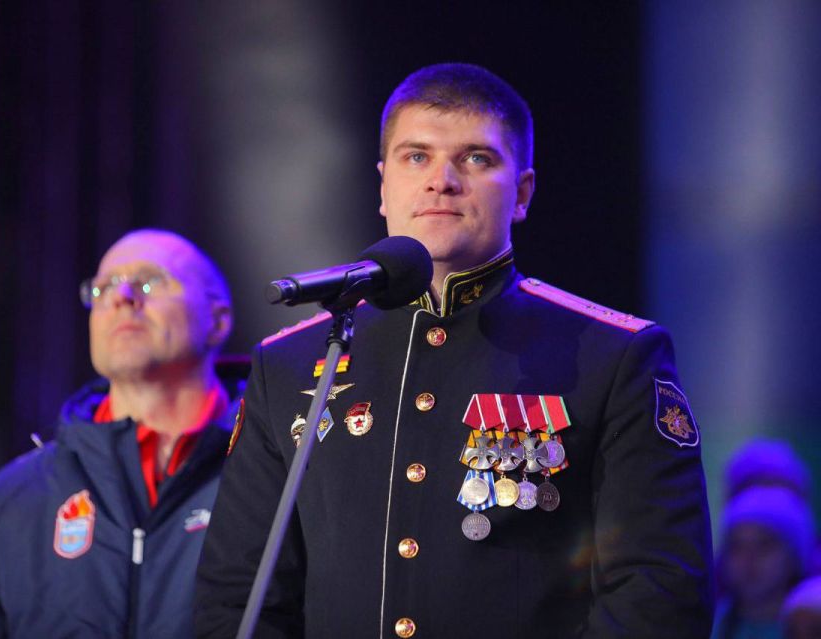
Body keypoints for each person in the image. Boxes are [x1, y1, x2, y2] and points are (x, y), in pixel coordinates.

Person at [195, 63, 714, 638]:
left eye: (476, 158)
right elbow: (238, 594)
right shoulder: (289, 364)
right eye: (416, 156)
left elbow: (659, 589)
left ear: (522, 193)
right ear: (383, 186)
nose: (441, 179)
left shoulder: (612, 356)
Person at [0, 229, 237, 638]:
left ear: (217, 321)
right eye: (103, 288)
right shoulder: (16, 497)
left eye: (150, 281)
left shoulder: (275, 471)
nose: (122, 297)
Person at [711, 486, 815, 639]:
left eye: (764, 544)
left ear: (793, 555)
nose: (748, 559)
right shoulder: (704, 624)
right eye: (737, 546)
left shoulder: (812, 626)